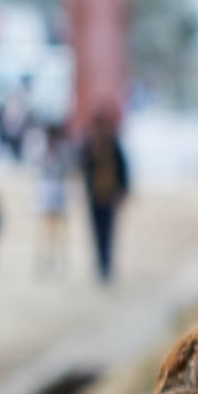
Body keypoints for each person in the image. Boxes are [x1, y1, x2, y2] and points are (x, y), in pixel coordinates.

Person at [80, 106, 130, 283]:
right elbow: (84, 170)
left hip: (108, 194)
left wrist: (123, 190)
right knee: (97, 231)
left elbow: (122, 169)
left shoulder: (112, 144)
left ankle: (106, 264)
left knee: (107, 231)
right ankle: (101, 264)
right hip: (95, 195)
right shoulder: (90, 145)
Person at [26, 120, 71, 276]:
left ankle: (58, 257)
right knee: (44, 228)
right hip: (46, 189)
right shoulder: (42, 150)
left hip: (56, 189)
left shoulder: (61, 150)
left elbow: (67, 168)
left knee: (58, 228)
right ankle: (45, 257)